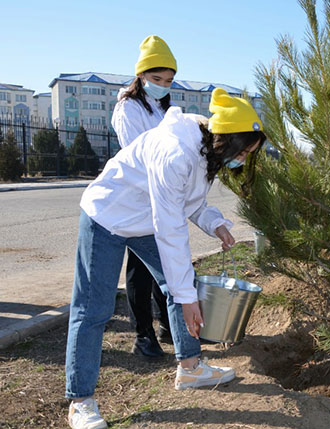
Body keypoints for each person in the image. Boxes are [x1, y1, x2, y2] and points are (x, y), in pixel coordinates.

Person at [65, 88, 266, 429]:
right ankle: (80, 402)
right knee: (93, 308)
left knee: (180, 283)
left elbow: (192, 201)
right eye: (244, 152)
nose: (243, 160)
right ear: (228, 141)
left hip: (144, 219)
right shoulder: (175, 151)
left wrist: (214, 222)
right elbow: (170, 227)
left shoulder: (206, 146)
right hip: (108, 217)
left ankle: (190, 369)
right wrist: (188, 298)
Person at [111, 34, 177, 359]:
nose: (163, 85)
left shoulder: (163, 107)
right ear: (141, 76)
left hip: (162, 196)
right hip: (137, 198)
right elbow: (138, 154)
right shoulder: (128, 108)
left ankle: (168, 326)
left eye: (168, 80)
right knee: (140, 268)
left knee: (165, 264)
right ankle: (143, 336)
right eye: (156, 79)